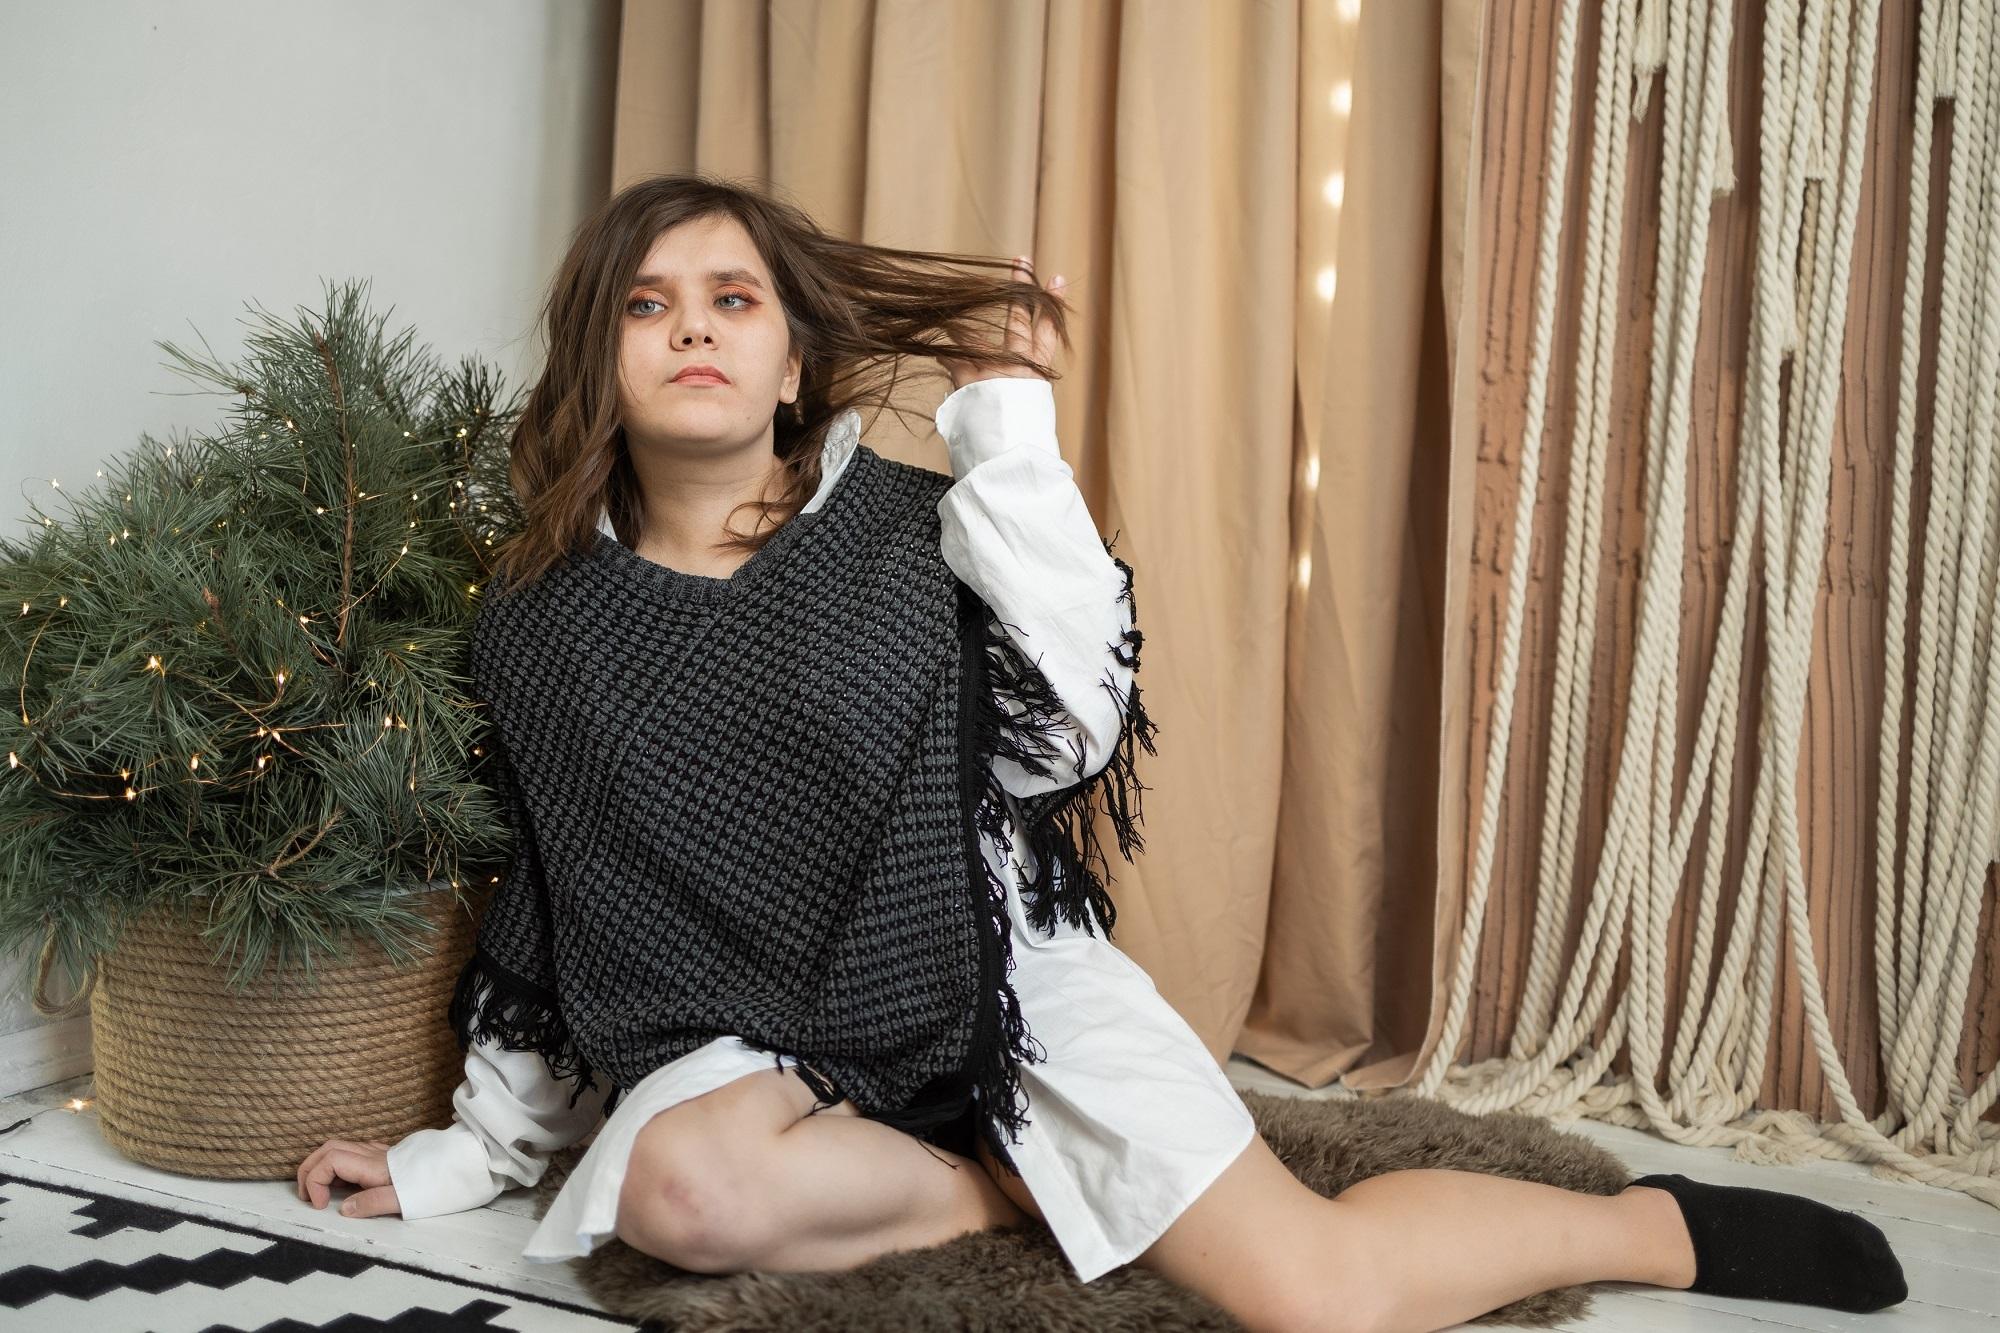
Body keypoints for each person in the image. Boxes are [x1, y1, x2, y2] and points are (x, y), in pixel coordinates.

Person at [297, 173, 1907, 1333]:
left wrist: (1009, 428)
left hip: (989, 979)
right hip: (749, 1037)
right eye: (648, 306)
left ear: (794, 363)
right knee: (679, 1195)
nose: (693, 330)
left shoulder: (912, 525)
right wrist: (462, 1158)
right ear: (600, 358)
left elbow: (1070, 730)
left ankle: (1649, 1226)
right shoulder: (543, 623)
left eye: (735, 300)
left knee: (1319, 1296)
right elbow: (559, 911)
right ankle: (1008, 1195)